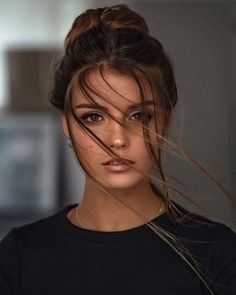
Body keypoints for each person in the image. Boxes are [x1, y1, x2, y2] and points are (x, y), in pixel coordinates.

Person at [0, 4, 236, 295]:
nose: (117, 139)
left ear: (164, 121)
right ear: (66, 123)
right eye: (93, 117)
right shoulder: (17, 257)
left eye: (139, 116)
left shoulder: (217, 254)